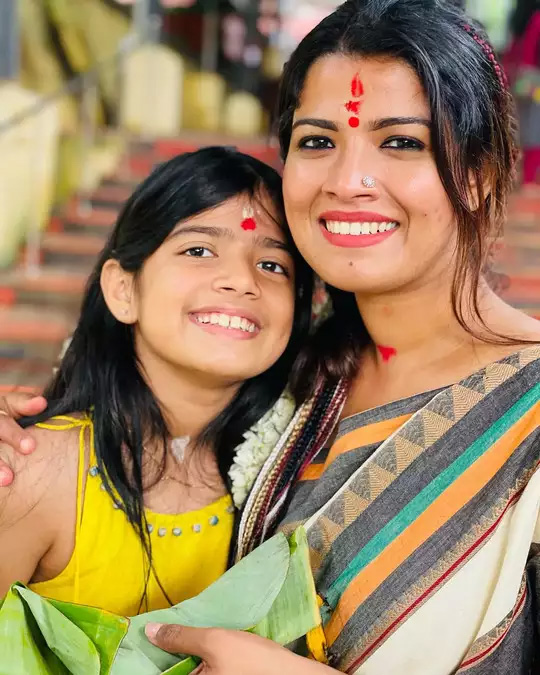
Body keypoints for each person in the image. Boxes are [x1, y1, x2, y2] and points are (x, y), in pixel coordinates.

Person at [1, 0, 540, 672]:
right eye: (317, 141)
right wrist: (25, 440)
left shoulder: (528, 405)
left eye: (402, 142)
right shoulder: (295, 371)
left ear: (480, 175)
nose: (348, 182)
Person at [0, 145, 313, 616]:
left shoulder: (292, 476)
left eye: (272, 265)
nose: (241, 280)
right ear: (123, 290)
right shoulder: (34, 474)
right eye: (199, 250)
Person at [504, 0, 540, 187]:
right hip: (535, 82)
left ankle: (518, 175)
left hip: (523, 80)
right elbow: (530, 50)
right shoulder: (537, 19)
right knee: (534, 127)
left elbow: (516, 49)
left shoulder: (520, 18)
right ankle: (528, 178)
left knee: (523, 126)